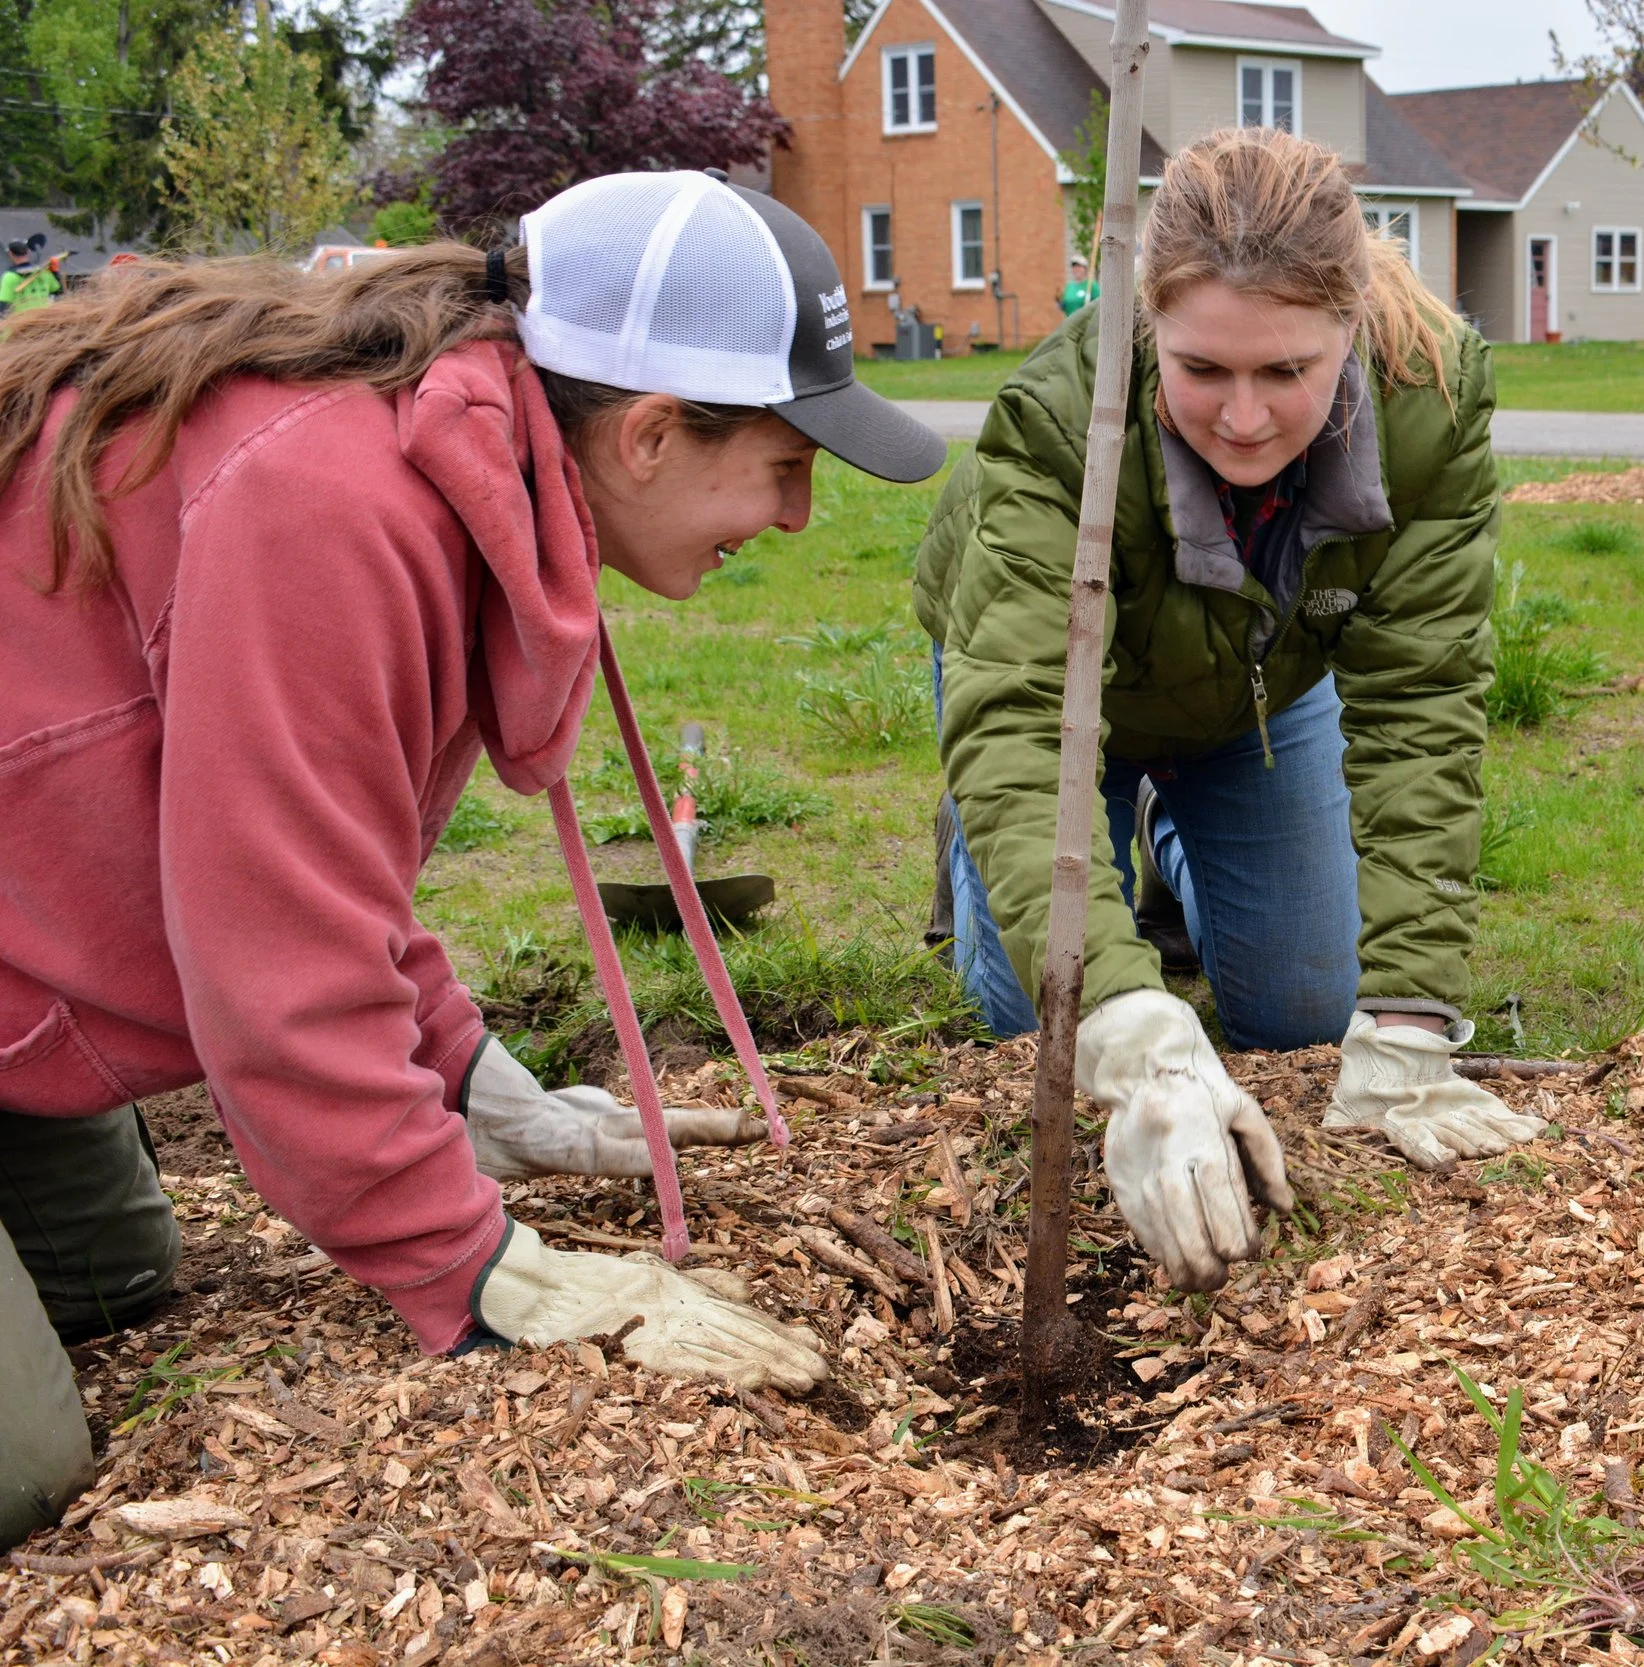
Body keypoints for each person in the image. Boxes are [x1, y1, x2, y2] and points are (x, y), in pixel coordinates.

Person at [0, 169, 946, 1549]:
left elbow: (308, 859)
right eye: (788, 465)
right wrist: (487, 1266)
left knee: (115, 1282)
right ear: (649, 435)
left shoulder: (452, 468)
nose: (800, 518)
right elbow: (275, 979)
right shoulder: (333, 506)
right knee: (24, 1467)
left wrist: (468, 1080)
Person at [915, 126, 1543, 1291]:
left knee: (1309, 1008)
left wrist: (1408, 1017)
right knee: (1034, 1027)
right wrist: (1127, 1029)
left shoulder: (1429, 406)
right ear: (1148, 324)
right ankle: (991, 844)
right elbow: (1018, 722)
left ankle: (1165, 829)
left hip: (1256, 693)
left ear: (1348, 326)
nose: (1244, 419)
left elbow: (1421, 699)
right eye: (1203, 370)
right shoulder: (1060, 422)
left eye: (1286, 371)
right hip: (1057, 698)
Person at [0, 239, 60, 315]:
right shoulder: (44, 272)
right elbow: (58, 292)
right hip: (44, 321)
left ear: (10, 254)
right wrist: (55, 272)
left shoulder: (9, 276)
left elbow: (3, 305)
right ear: (28, 252)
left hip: (21, 324)